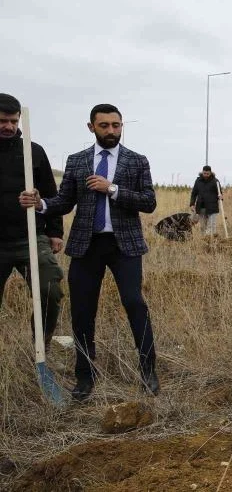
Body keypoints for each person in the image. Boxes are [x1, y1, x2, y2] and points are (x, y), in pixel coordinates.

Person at [20, 103, 159, 401]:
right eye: (105, 125)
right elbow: (64, 202)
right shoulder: (78, 161)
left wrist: (114, 189)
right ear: (91, 127)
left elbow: (149, 202)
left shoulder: (136, 161)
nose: (111, 131)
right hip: (86, 245)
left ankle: (148, 370)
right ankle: (85, 376)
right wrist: (41, 204)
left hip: (125, 246)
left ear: (122, 126)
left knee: (135, 303)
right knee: (82, 311)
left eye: (116, 125)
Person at [0, 93, 64, 348]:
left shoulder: (33, 152)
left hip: (30, 237)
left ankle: (42, 345)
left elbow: (51, 194)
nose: (9, 127)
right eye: (3, 121)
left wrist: (56, 231)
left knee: (50, 290)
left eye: (14, 121)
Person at [190, 165, 223, 235]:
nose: (206, 175)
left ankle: (212, 242)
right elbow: (194, 193)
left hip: (212, 208)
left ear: (210, 173)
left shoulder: (215, 181)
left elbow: (220, 193)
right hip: (201, 207)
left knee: (211, 226)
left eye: (207, 174)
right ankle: (204, 243)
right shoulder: (198, 181)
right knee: (203, 227)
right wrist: (192, 204)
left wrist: (220, 197)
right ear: (202, 172)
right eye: (204, 173)